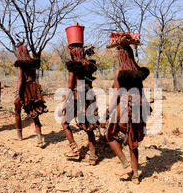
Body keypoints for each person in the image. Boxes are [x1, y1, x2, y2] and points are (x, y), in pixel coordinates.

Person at [106, 32, 151, 184]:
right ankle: (136, 174)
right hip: (138, 106)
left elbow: (117, 93)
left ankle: (125, 163)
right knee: (132, 140)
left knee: (110, 135)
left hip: (124, 106)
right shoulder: (138, 71)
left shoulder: (119, 72)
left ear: (121, 56)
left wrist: (109, 111)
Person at [61, 23, 99, 166]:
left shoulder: (73, 66)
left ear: (71, 50)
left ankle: (74, 149)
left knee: (64, 122)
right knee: (89, 126)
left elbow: (70, 86)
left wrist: (64, 100)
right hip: (89, 95)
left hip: (77, 97)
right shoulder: (89, 64)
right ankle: (93, 156)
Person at [14, 42, 47, 147]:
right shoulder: (33, 63)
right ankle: (39, 139)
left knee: (17, 109)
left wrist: (18, 92)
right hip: (34, 87)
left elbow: (20, 79)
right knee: (35, 113)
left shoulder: (20, 64)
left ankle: (19, 135)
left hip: (26, 88)